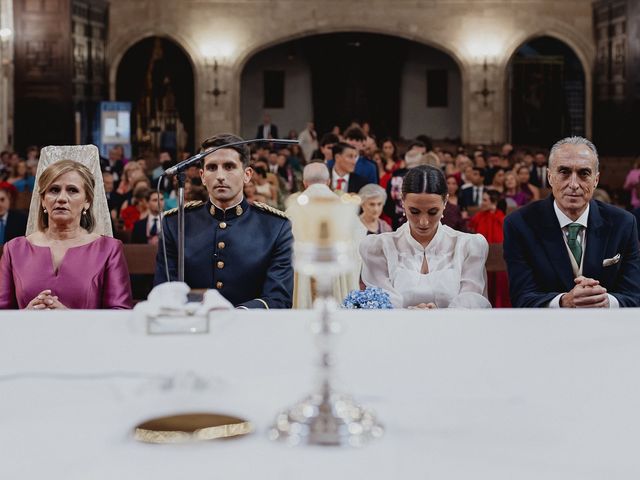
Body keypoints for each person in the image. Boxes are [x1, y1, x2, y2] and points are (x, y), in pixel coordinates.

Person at [154, 133, 294, 309]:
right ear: (203, 176)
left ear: (247, 175)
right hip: (193, 328)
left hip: (251, 329)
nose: (220, 175)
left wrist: (233, 316)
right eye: (212, 167)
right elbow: (164, 290)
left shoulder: (276, 227)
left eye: (229, 166)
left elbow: (279, 299)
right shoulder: (175, 223)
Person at [503, 136, 640, 308]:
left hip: (606, 327)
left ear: (596, 180)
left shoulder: (623, 224)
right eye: (564, 172)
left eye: (584, 173)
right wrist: (564, 301)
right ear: (550, 177)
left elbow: (634, 295)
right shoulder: (519, 225)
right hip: (546, 329)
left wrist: (605, 301)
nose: (574, 184)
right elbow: (522, 297)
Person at [0, 159, 132, 309]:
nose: (62, 198)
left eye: (72, 190)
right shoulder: (14, 250)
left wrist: (69, 319)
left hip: (86, 333)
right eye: (54, 190)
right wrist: (25, 317)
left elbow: (120, 313)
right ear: (43, 200)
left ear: (87, 201)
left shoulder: (108, 249)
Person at [360, 165, 490, 309]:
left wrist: (442, 316)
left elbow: (471, 301)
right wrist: (407, 315)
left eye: (432, 212)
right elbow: (381, 306)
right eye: (414, 211)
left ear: (445, 201)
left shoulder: (467, 246)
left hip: (453, 328)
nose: (423, 222)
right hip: (397, 329)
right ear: (403, 201)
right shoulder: (379, 247)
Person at [468, 189, 510, 307]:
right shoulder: (478, 216)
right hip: (481, 257)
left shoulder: (501, 217)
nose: (482, 203)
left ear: (493, 202)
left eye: (485, 200)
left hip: (498, 259)